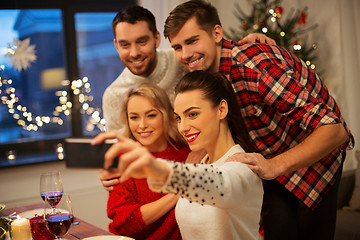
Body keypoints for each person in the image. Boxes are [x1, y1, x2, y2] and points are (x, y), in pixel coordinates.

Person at [162, 1, 355, 240]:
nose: (185, 54)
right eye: (177, 47)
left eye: (192, 41)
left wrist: (273, 165)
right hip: (270, 159)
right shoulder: (202, 70)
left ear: (217, 33)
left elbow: (335, 130)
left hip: (316, 158)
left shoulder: (253, 66)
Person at [93, 70, 264, 240]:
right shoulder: (199, 162)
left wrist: (156, 168)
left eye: (192, 114)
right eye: (179, 118)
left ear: (221, 109)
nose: (182, 128)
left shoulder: (243, 166)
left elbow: (221, 184)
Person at [102, 5, 276, 133]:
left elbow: (214, 50)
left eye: (142, 42)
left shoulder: (182, 58)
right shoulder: (113, 95)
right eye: (125, 44)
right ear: (116, 45)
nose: (134, 53)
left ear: (156, 39)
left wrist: (249, 41)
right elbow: (120, 152)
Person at [105, 82, 190, 239]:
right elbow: (124, 224)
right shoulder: (123, 159)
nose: (142, 125)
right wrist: (178, 192)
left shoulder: (188, 155)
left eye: (151, 115)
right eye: (134, 117)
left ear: (166, 115)